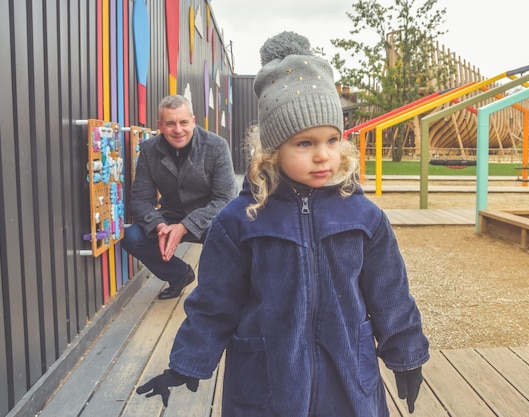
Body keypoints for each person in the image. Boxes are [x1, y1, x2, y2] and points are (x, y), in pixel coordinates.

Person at [136, 32, 429, 415]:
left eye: (331, 140)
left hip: (347, 380)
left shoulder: (363, 217)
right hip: (267, 384)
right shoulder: (239, 222)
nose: (323, 156)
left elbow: (390, 293)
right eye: (304, 144)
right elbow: (214, 302)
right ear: (274, 148)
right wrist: (188, 361)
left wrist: (407, 354)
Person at [123, 95, 237, 300]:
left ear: (193, 121)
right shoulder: (149, 151)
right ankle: (179, 275)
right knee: (132, 237)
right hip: (170, 216)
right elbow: (140, 199)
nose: (178, 130)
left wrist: (185, 226)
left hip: (209, 219)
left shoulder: (216, 146)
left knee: (226, 236)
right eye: (170, 123)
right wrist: (158, 225)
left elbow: (226, 199)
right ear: (160, 126)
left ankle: (215, 293)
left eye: (183, 122)